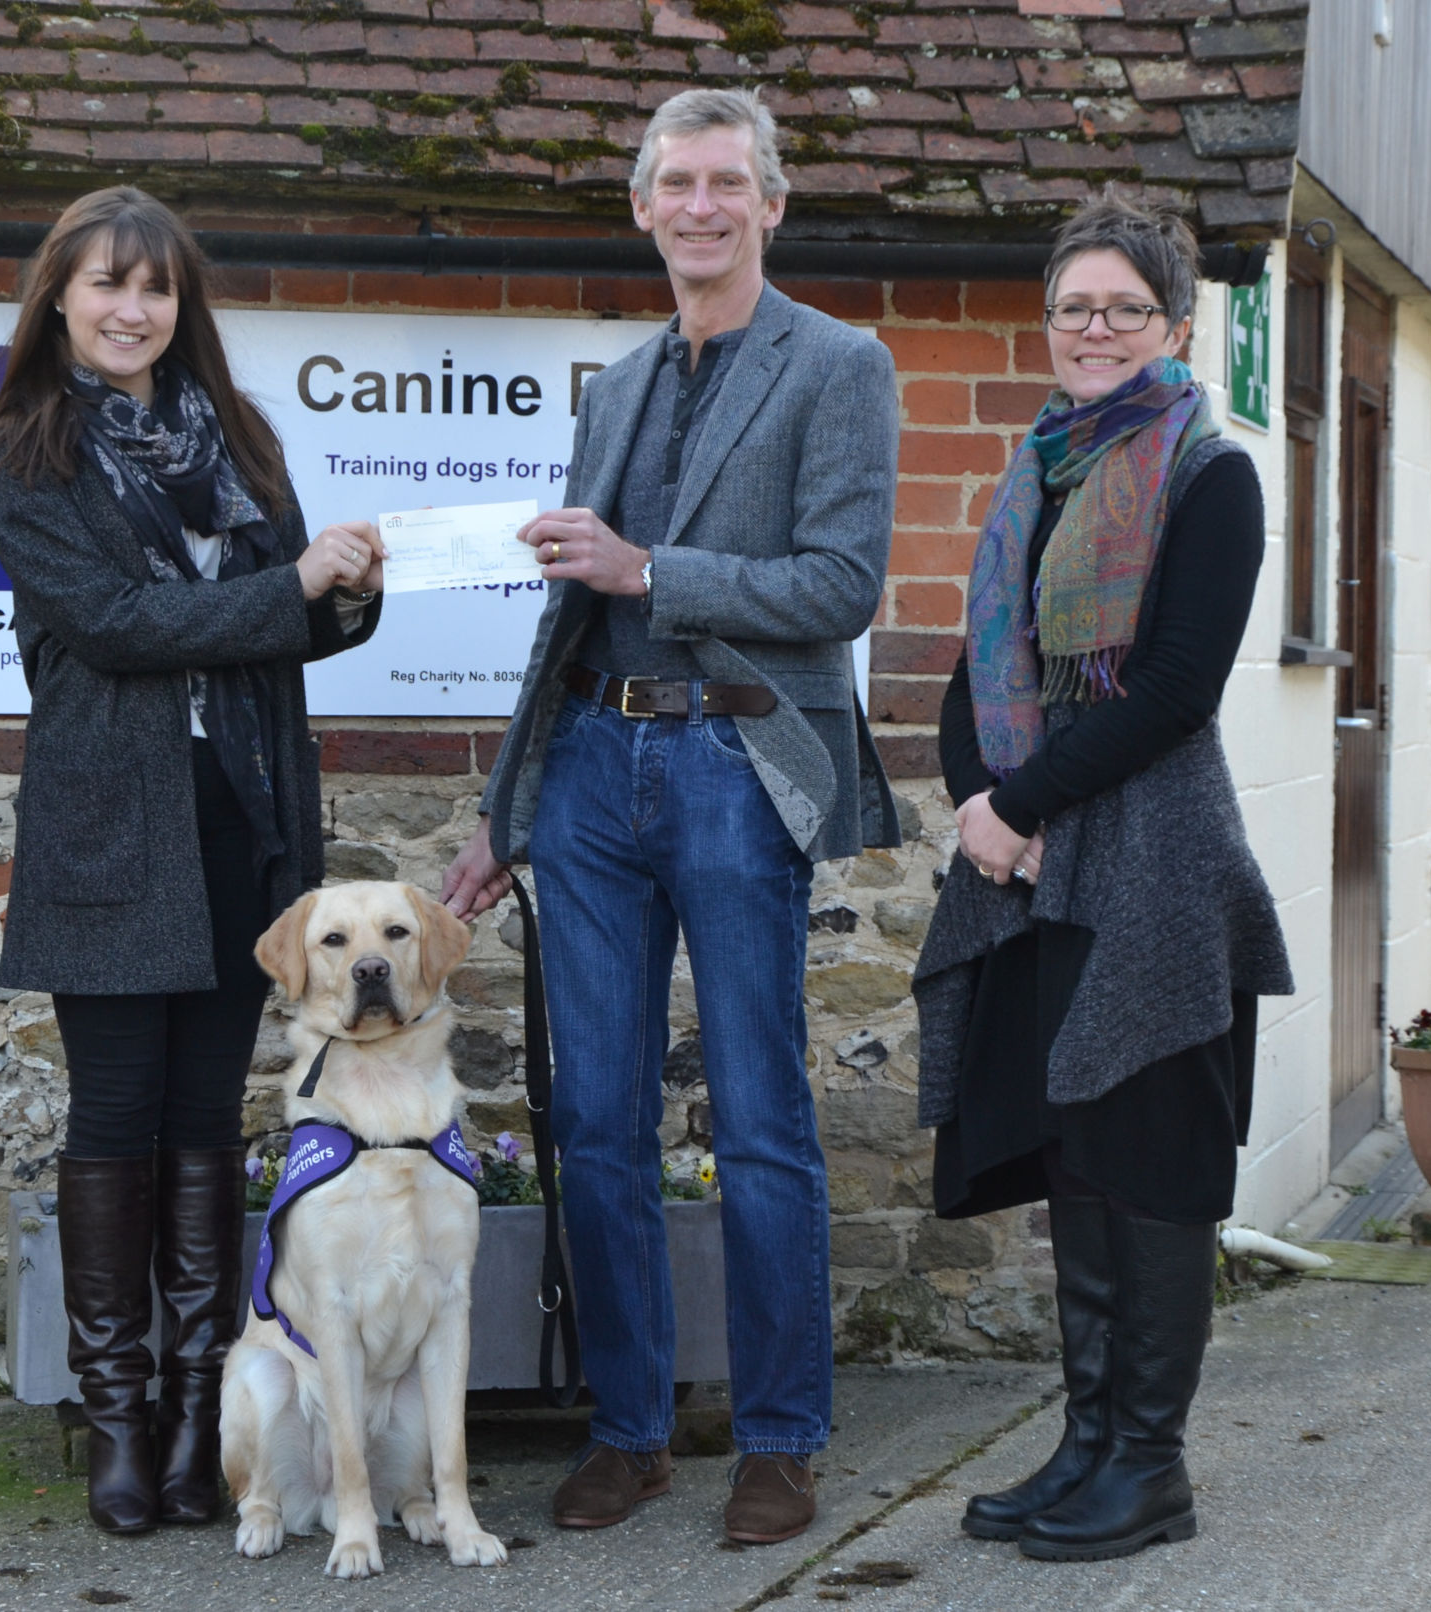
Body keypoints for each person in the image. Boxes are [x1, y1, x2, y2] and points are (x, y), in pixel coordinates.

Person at [441, 87, 901, 1546]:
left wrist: (656, 571)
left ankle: (777, 1436)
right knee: (595, 1122)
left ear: (771, 204)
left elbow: (841, 588)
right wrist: (509, 802)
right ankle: (629, 1429)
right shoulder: (617, 388)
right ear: (642, 208)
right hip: (588, 771)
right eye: (674, 186)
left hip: (732, 763)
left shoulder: (841, 365)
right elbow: (568, 618)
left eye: (727, 184)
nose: (700, 208)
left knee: (764, 1116)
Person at [0, 186, 384, 1535]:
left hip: (240, 816)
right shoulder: (27, 454)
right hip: (108, 821)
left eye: (156, 288)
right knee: (115, 1115)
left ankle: (204, 1424)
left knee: (206, 1121)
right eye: (106, 285)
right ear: (62, 300)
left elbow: (291, 631)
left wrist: (351, 596)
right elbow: (121, 623)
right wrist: (292, 589)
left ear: (181, 306)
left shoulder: (240, 442)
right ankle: (118, 1425)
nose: (133, 309)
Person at [912, 191, 1295, 1563]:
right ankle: (1084, 1446)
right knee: (1076, 1148)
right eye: (1073, 306)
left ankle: (1150, 1466)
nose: (1092, 328)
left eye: (1121, 308)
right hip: (1032, 855)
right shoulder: (1040, 472)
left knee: (1152, 1159)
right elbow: (977, 670)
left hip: (1152, 860)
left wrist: (1020, 801)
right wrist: (976, 804)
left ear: (1172, 326)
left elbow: (1180, 689)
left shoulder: (1212, 472)